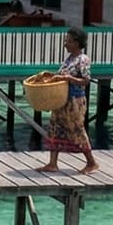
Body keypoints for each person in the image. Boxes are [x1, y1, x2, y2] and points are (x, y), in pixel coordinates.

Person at [39, 26, 98, 174]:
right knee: (55, 128)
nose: (66, 44)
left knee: (77, 130)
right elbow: (62, 76)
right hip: (62, 99)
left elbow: (86, 80)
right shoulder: (69, 59)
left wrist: (67, 78)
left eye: (69, 41)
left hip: (75, 101)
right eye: (66, 41)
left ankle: (92, 162)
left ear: (78, 43)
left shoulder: (82, 60)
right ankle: (52, 163)